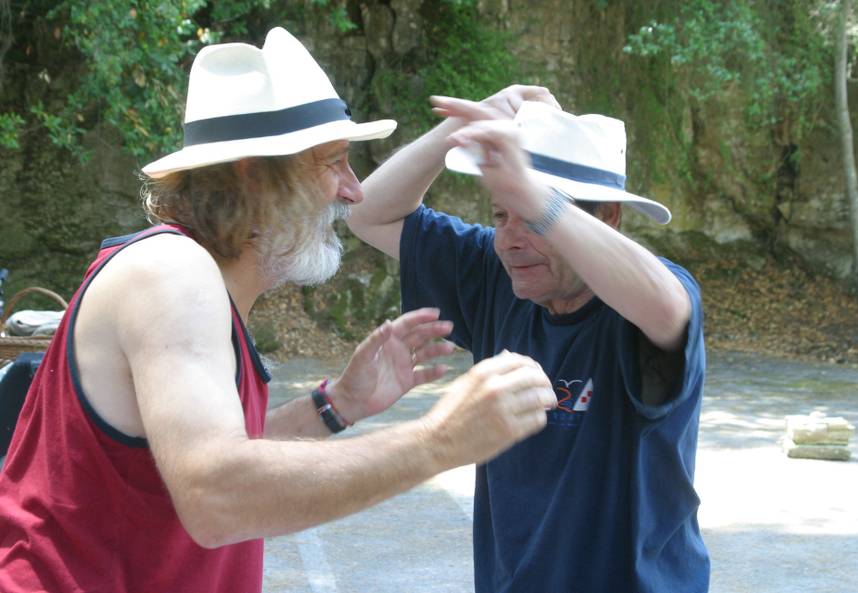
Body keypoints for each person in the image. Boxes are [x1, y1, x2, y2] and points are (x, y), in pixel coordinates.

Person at [0, 29, 557, 593]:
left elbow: (185, 452)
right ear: (253, 172)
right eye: (334, 163)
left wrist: (335, 405)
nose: (353, 191)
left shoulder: (195, 278)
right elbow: (216, 492)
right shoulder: (171, 273)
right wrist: (443, 438)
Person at [347, 92, 710, 592]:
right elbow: (368, 215)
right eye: (500, 216)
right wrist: (457, 129)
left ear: (605, 218)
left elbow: (670, 309)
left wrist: (529, 192)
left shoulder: (642, 302)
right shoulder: (498, 278)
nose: (511, 239)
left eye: (534, 219)